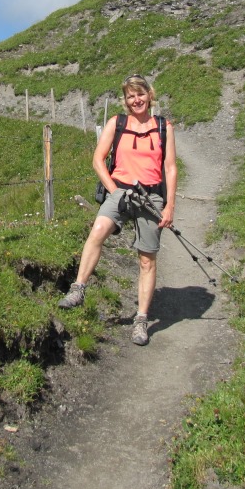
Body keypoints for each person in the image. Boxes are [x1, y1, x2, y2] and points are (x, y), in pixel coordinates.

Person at [58, 75, 177, 346]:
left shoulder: (164, 127)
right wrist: (114, 191)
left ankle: (141, 320)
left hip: (151, 196)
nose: (136, 100)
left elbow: (170, 168)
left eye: (140, 94)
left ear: (149, 95)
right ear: (125, 100)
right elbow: (98, 160)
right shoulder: (117, 123)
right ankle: (78, 289)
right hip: (120, 190)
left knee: (147, 259)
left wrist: (169, 205)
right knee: (98, 230)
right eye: (130, 96)